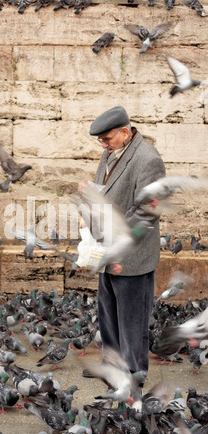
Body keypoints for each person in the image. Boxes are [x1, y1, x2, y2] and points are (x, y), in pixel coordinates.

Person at [78, 106, 165, 382]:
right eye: (101, 141)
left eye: (107, 139)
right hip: (106, 250)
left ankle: (134, 377)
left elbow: (147, 212)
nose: (103, 146)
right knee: (108, 317)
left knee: (132, 323)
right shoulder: (110, 153)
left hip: (132, 256)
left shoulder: (148, 159)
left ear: (125, 132)